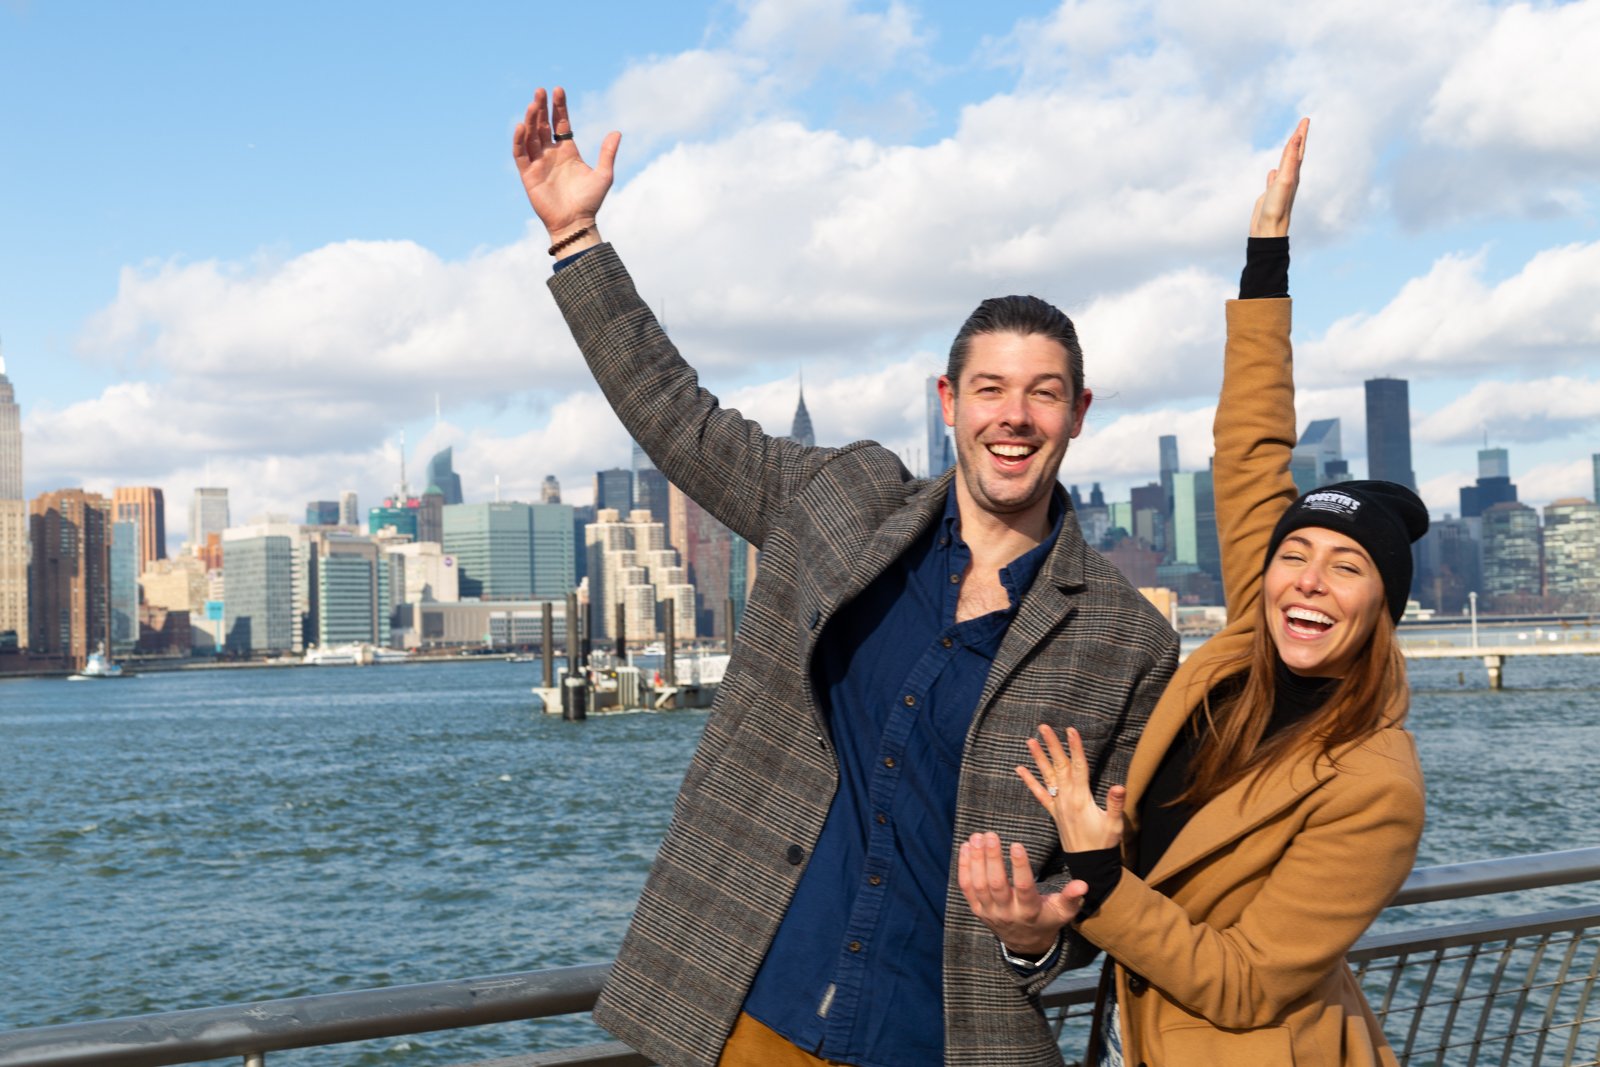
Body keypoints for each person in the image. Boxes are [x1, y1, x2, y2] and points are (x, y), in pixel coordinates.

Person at [512, 87, 1178, 1067]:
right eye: (989, 388)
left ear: (1077, 413)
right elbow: (680, 421)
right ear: (949, 402)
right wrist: (577, 237)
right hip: (746, 1013)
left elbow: (1107, 881)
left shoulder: (1127, 641)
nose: (1014, 416)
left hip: (946, 1042)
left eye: (1042, 393)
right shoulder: (842, 498)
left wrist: (1037, 932)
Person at [961, 119, 1428, 1066]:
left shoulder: (1376, 785)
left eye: (1349, 570)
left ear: (1382, 609)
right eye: (1295, 555)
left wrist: (1096, 863)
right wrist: (1266, 258)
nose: (1309, 581)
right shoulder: (1243, 654)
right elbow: (1251, 447)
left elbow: (1247, 982)